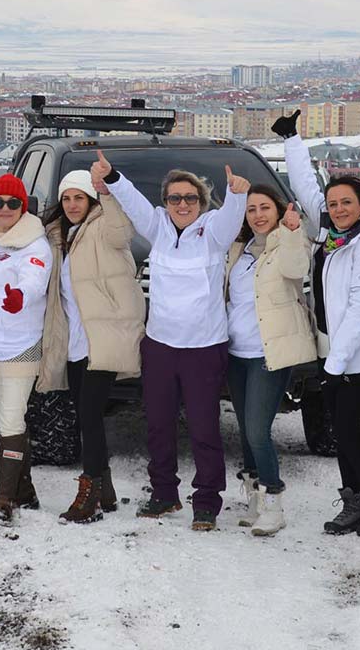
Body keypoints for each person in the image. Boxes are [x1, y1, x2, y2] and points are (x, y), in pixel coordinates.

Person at [93, 151, 250, 532]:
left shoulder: (213, 232)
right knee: (159, 425)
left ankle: (207, 501)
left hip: (203, 348)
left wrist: (237, 194)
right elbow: (133, 202)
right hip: (161, 345)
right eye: (175, 198)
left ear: (201, 201)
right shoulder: (158, 228)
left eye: (190, 198)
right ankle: (164, 492)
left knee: (204, 428)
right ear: (165, 203)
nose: (182, 204)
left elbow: (231, 219)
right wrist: (112, 176)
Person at [275, 111, 360, 538]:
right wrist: (291, 138)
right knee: (342, 437)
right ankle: (354, 502)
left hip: (355, 359)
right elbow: (306, 186)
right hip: (332, 353)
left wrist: (334, 364)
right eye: (335, 203)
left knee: (349, 435)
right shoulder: (329, 233)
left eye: (347, 203)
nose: (338, 209)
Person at [37, 170, 145, 524]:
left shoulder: (103, 227)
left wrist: (110, 193)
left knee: (88, 416)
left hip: (103, 339)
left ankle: (90, 493)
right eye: (66, 198)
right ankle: (106, 487)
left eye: (79, 198)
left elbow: (123, 231)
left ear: (91, 201)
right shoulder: (60, 235)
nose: (71, 205)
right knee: (88, 417)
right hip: (75, 343)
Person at [224, 184, 316, 536]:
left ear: (277, 211)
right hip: (237, 353)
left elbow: (296, 271)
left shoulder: (288, 243)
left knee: (259, 431)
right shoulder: (240, 249)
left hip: (269, 353)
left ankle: (274, 503)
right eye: (251, 209)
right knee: (246, 432)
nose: (258, 215)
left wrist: (293, 232)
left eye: (265, 208)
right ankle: (255, 500)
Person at [0, 174, 52, 521]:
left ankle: (4, 498)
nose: (5, 209)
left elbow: (34, 279)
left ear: (24, 207)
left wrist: (21, 297)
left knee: (10, 419)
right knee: (4, 417)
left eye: (13, 203)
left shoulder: (34, 244)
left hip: (20, 344)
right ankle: (25, 490)